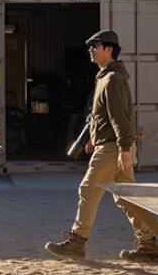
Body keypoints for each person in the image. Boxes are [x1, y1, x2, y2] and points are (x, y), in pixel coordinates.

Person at [45, 30, 158, 261]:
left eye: (95, 46)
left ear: (109, 49)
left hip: (113, 148)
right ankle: (148, 244)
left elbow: (120, 117)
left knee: (88, 189)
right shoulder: (105, 77)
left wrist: (124, 148)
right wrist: (93, 137)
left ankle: (76, 243)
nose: (90, 50)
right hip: (110, 145)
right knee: (127, 197)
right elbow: (104, 116)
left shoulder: (112, 79)